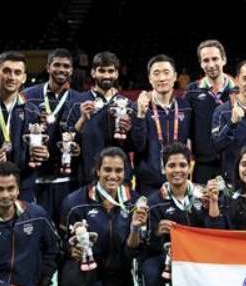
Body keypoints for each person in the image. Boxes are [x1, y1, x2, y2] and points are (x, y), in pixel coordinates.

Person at [60, 147, 144, 286]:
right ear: (97, 170)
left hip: (118, 269)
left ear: (125, 172)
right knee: (71, 274)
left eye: (118, 170)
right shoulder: (74, 202)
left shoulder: (135, 202)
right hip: (86, 266)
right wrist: (72, 251)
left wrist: (134, 229)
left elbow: (134, 252)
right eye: (107, 169)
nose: (113, 176)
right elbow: (61, 245)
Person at [138, 142, 208, 286]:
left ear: (190, 167)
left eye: (182, 165)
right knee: (151, 270)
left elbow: (214, 229)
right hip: (163, 256)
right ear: (163, 168)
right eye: (171, 165)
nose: (177, 170)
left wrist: (211, 207)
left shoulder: (202, 196)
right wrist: (157, 233)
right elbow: (145, 243)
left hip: (197, 256)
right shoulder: (153, 202)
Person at [23, 48, 83, 226]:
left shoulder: (79, 100)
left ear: (71, 70)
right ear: (48, 67)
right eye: (57, 65)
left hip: (66, 179)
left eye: (66, 66)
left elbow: (81, 136)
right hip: (34, 177)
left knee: (66, 229)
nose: (61, 70)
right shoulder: (29, 95)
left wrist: (78, 147)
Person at [131, 55, 192, 197]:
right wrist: (140, 114)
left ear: (175, 76)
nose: (162, 78)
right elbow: (137, 146)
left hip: (179, 182)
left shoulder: (185, 108)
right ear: (149, 78)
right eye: (156, 73)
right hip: (148, 186)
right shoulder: (139, 107)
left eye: (166, 72)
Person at [70, 51, 133, 186]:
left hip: (119, 178)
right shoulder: (77, 102)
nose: (106, 76)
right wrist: (82, 120)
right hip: (87, 176)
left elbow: (136, 146)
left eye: (111, 71)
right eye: (101, 71)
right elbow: (68, 141)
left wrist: (129, 131)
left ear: (117, 73)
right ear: (93, 73)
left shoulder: (127, 105)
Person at [184, 39, 237, 184]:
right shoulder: (192, 91)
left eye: (215, 59)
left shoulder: (238, 89)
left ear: (224, 60)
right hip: (203, 166)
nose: (211, 64)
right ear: (201, 63)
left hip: (234, 163)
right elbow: (187, 132)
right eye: (206, 60)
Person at [0, 51, 41, 203]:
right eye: (6, 71)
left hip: (24, 185)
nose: (12, 77)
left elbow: (38, 146)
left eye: (17, 72)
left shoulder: (33, 111)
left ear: (24, 77)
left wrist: (41, 153)